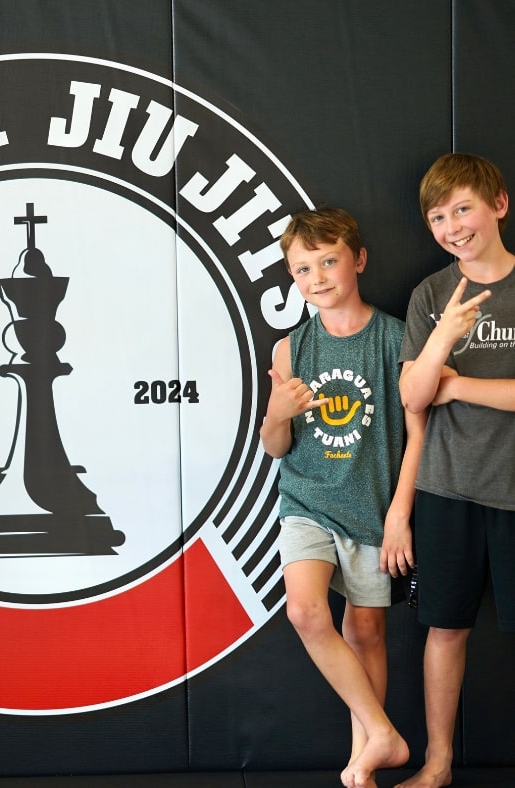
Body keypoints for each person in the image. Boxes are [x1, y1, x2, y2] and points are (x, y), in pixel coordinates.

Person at [260, 207, 426, 788]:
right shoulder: (291, 349)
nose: (317, 278)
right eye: (301, 269)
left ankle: (367, 758)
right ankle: (384, 732)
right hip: (307, 502)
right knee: (305, 610)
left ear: (357, 260)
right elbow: (276, 445)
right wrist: (276, 415)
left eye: (328, 261)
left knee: (366, 634)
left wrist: (400, 513)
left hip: (372, 509)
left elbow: (417, 433)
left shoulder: (393, 338)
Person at [395, 153, 515, 788]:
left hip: (513, 491)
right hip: (447, 489)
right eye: (438, 217)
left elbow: (444, 390)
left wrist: (459, 384)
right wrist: (443, 337)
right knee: (444, 630)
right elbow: (414, 395)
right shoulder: (431, 294)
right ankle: (437, 765)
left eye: (462, 208)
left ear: (499, 205)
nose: (451, 226)